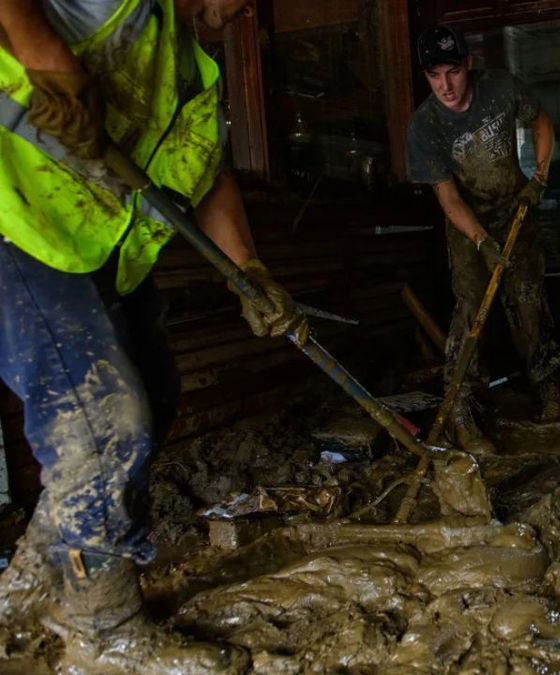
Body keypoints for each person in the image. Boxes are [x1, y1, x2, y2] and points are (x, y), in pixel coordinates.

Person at [0, 0, 307, 670]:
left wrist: (247, 271)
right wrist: (43, 54)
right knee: (103, 426)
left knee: (156, 396)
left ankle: (36, 580)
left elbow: (208, 173)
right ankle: (103, 629)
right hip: (19, 225)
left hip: (98, 243)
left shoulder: (190, 67)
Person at [406, 25, 560, 455]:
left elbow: (542, 122)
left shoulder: (500, 88)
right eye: (434, 76)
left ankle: (547, 388)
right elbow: (449, 198)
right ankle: (464, 412)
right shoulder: (426, 125)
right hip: (467, 224)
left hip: (517, 210)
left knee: (529, 299)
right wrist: (480, 240)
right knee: (472, 307)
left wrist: (539, 179)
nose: (445, 86)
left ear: (468, 66)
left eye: (452, 72)